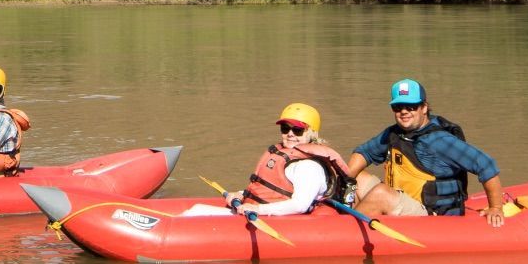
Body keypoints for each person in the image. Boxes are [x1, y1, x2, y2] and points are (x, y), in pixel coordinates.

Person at [348, 78, 509, 227]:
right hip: (404, 198)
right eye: (398, 107)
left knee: (380, 194)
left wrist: (495, 207)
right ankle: (346, 218)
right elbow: (363, 153)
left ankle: (345, 230)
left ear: (424, 108)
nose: (403, 111)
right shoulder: (394, 133)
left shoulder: (440, 141)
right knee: (357, 177)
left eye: (411, 106)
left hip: (431, 214)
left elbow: (486, 165)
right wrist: (347, 182)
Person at [187, 103, 350, 217]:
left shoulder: (309, 167)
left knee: (195, 212)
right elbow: (274, 190)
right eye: (285, 128)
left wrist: (258, 209)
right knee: (196, 209)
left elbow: (299, 205)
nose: (290, 134)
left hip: (286, 222)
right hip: (262, 213)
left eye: (298, 130)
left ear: (312, 133)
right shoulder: (287, 156)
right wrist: (240, 194)